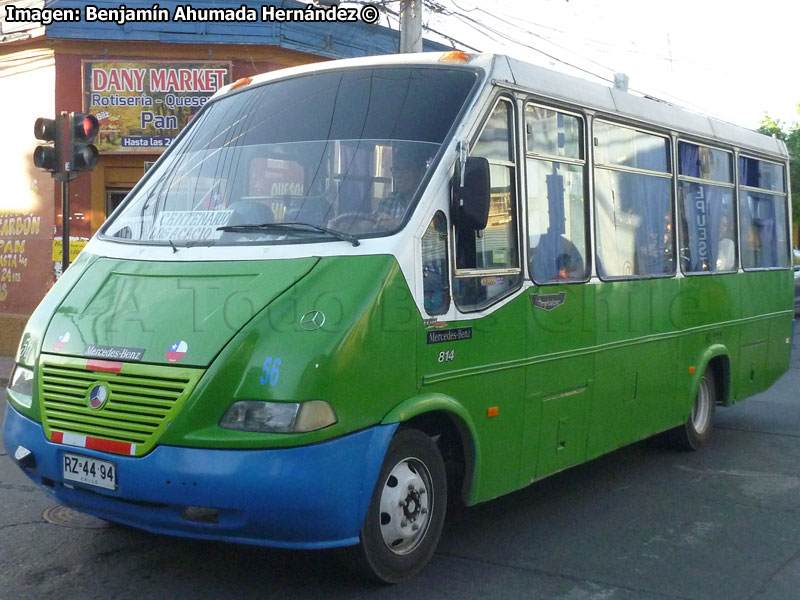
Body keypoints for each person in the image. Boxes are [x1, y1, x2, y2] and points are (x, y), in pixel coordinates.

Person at [375, 147, 429, 228]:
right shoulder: (390, 201)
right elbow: (373, 221)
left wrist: (398, 224)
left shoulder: (430, 199)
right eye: (396, 169)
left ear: (420, 171)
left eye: (406, 168)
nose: (398, 174)